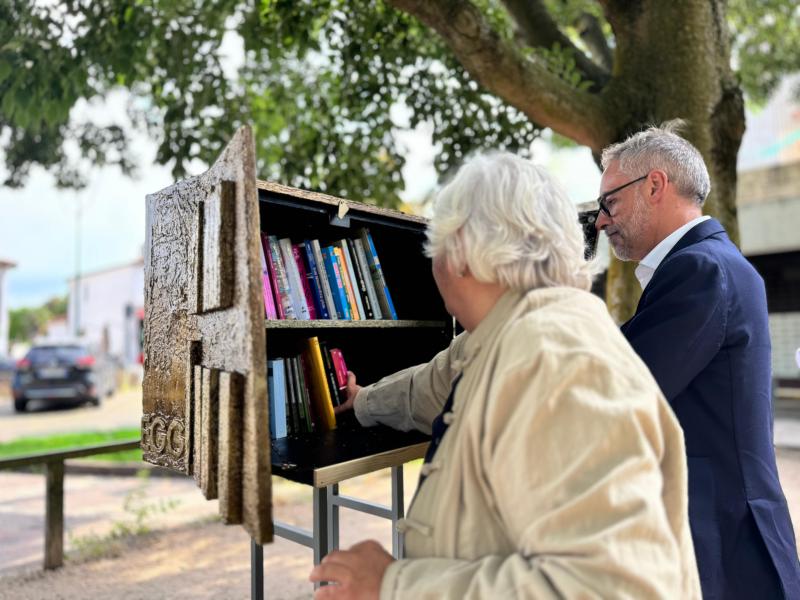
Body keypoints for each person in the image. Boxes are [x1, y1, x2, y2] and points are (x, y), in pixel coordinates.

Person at [309, 152, 700, 599]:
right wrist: (361, 400)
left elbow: (611, 587)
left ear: (460, 255)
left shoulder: (555, 360)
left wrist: (394, 587)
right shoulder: (506, 338)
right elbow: (431, 387)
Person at [595, 122, 800, 599]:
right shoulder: (717, 263)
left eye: (610, 202)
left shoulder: (699, 269)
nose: (602, 221)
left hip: (724, 554)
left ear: (654, 185)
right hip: (731, 541)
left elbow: (615, 389)